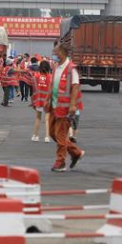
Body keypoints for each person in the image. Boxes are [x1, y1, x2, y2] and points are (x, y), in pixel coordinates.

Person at [45, 44, 85, 172]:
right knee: (52, 133)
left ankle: (60, 162)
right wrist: (47, 100)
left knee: (60, 135)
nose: (53, 54)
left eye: (55, 52)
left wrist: (72, 105)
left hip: (65, 108)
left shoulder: (71, 69)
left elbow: (75, 87)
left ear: (61, 53)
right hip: (54, 106)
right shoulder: (56, 67)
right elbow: (53, 85)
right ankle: (76, 153)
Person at [31, 60, 52, 143]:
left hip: (39, 101)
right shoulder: (51, 77)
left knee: (38, 118)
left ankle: (35, 135)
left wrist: (33, 101)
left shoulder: (35, 76)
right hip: (48, 100)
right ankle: (47, 137)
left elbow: (34, 90)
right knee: (47, 119)